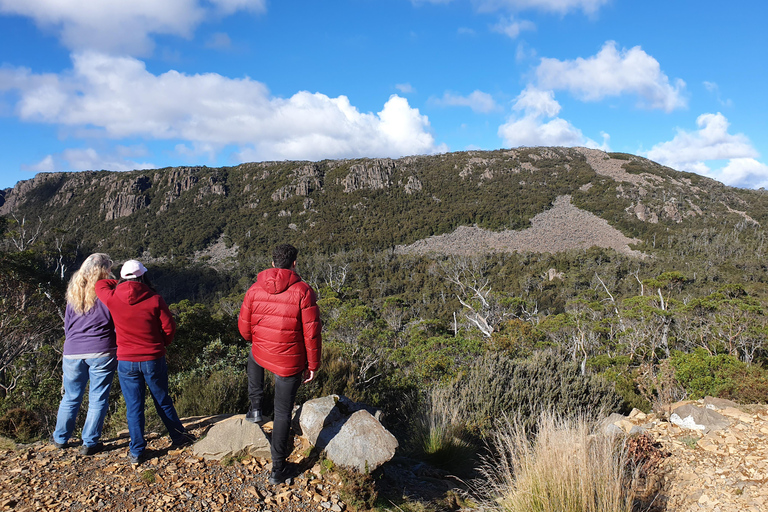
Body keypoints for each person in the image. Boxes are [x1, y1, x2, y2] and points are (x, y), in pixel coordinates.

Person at [238, 243, 322, 485]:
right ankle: (278, 468)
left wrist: (262, 339)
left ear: (273, 262)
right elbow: (311, 334)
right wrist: (313, 364)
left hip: (263, 352)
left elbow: (244, 330)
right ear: (294, 263)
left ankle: (255, 409)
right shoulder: (303, 292)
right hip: (288, 362)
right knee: (283, 412)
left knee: (253, 355)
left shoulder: (254, 289)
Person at [96, 259, 192, 464]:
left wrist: (121, 283)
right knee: (162, 399)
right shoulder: (154, 299)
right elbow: (169, 328)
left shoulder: (112, 298)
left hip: (126, 361)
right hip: (152, 357)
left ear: (123, 277)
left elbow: (99, 284)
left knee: (134, 406)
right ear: (143, 276)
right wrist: (161, 344)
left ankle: (137, 450)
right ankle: (178, 436)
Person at [52, 253, 117, 456]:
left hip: (72, 351)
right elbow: (116, 322)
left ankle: (60, 438)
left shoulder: (74, 293)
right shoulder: (109, 292)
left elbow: (67, 325)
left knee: (70, 397)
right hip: (101, 350)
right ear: (104, 270)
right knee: (97, 397)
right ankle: (89, 442)